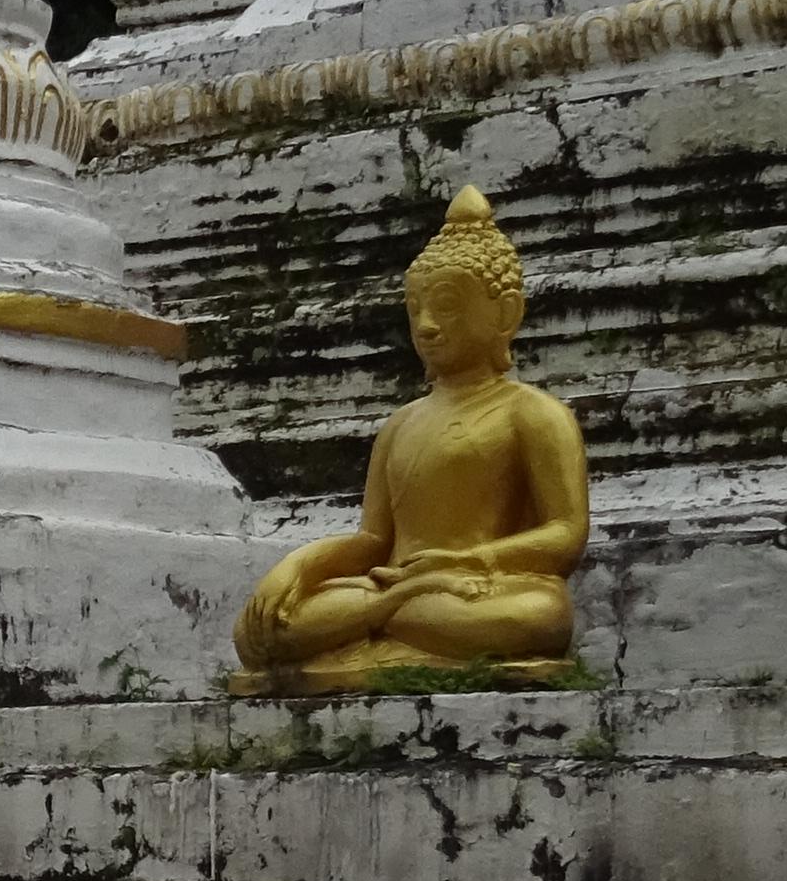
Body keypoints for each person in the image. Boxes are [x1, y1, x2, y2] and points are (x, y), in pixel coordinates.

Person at [231, 185, 588, 686]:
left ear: (506, 314)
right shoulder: (400, 424)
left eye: (447, 306)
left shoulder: (534, 414)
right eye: (416, 307)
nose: (426, 325)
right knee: (258, 629)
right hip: (397, 586)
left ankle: (376, 626)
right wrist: (298, 566)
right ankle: (390, 616)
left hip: (478, 588)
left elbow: (565, 535)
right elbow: (375, 539)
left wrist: (467, 560)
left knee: (537, 616)